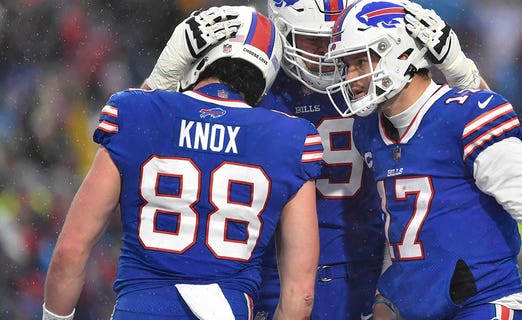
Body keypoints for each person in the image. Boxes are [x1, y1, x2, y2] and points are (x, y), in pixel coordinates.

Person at [140, 1, 488, 319]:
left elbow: (482, 133)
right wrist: (170, 69)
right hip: (269, 271)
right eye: (312, 41)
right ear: (282, 28)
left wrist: (457, 68)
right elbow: (149, 140)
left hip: (365, 270)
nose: (326, 53)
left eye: (334, 38)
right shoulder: (251, 79)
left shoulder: (376, 75)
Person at [42, 6, 323, 320]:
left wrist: (161, 75)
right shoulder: (291, 138)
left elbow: (71, 251)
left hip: (140, 309)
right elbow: (301, 294)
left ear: (192, 53)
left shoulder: (134, 114)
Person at [325, 0, 522, 319]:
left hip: (482, 305)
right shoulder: (368, 130)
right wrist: (388, 296)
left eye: (360, 62)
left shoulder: (465, 116)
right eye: (347, 65)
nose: (351, 77)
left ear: (403, 53)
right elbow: (402, 227)